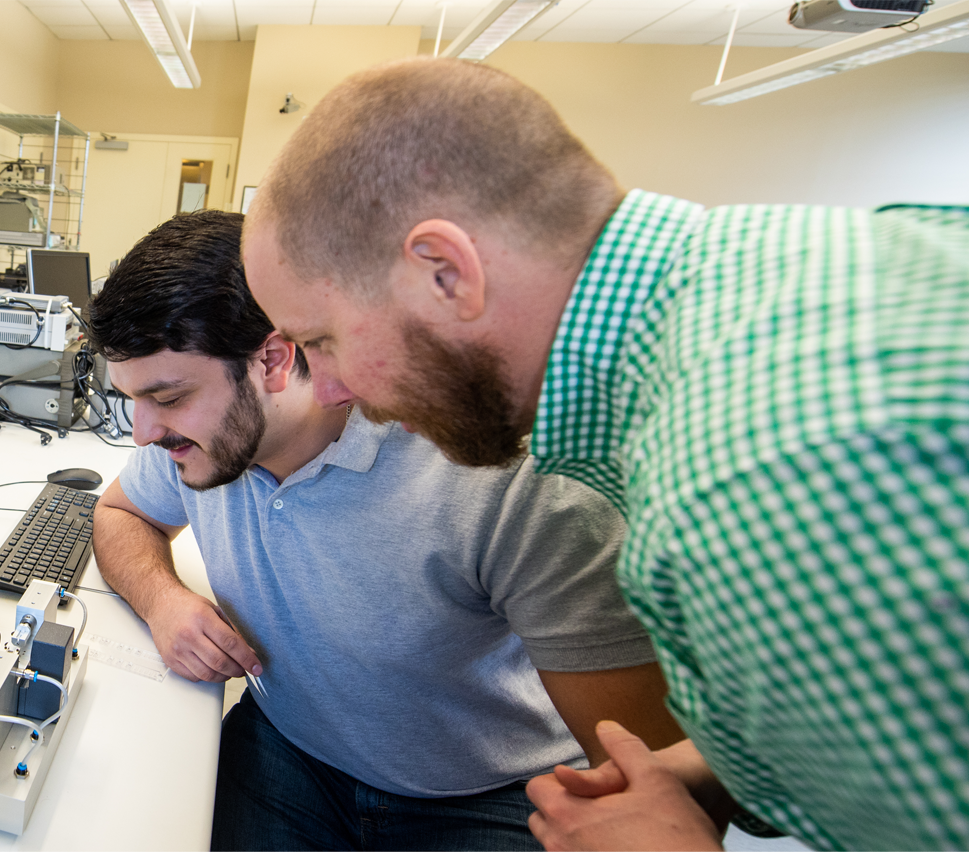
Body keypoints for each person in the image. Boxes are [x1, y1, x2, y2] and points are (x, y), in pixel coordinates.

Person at [241, 57, 969, 852]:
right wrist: (687, 780)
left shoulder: (739, 482)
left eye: (322, 341)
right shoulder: (806, 266)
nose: (334, 388)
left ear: (445, 273)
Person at [86, 209, 685, 852]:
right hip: (293, 747)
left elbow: (648, 773)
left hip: (482, 790)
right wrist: (162, 599)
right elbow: (121, 512)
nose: (144, 431)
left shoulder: (505, 479)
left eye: (168, 398)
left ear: (275, 361)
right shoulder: (197, 441)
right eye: (131, 399)